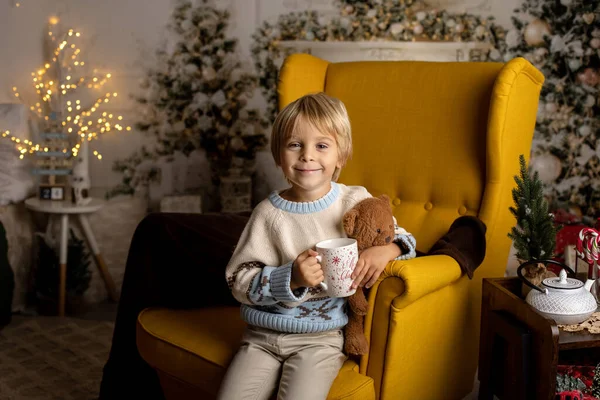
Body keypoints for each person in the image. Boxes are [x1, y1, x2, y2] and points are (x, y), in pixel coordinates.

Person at [217, 92, 416, 400]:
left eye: (321, 146)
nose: (307, 155)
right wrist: (290, 278)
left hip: (320, 339)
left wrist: (388, 250)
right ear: (279, 155)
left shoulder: (354, 200)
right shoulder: (268, 215)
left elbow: (405, 238)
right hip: (261, 337)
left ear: (341, 155)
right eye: (295, 145)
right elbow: (238, 279)